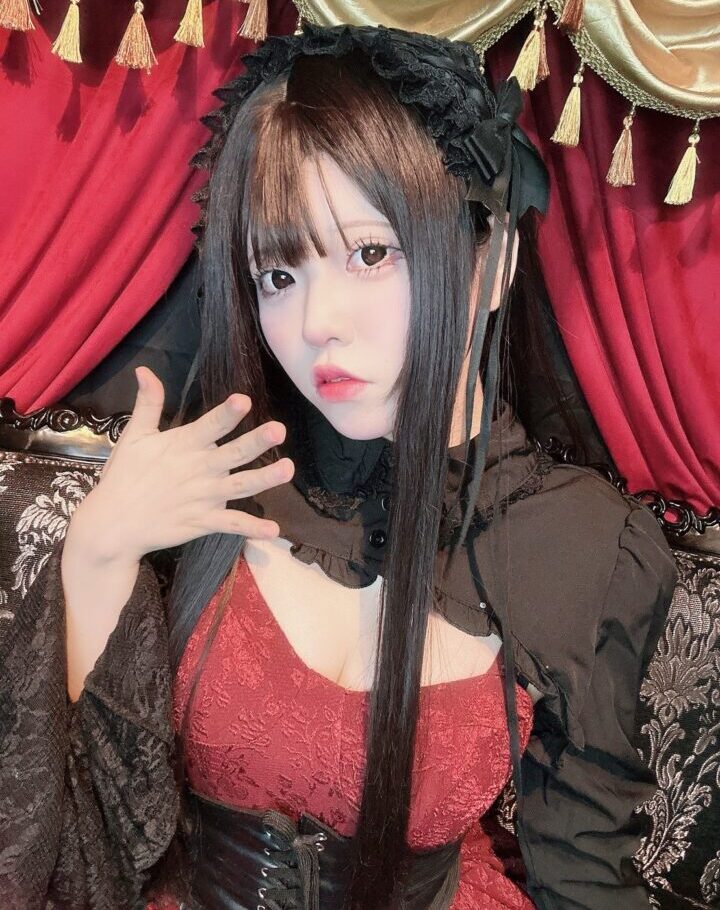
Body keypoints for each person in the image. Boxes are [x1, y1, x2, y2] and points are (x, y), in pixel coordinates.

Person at [0, 23, 677, 910]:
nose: (316, 322)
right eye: (278, 275)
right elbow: (94, 849)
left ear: (493, 261)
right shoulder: (225, 469)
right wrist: (96, 551)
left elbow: (583, 878)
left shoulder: (587, 550)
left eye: (369, 253)